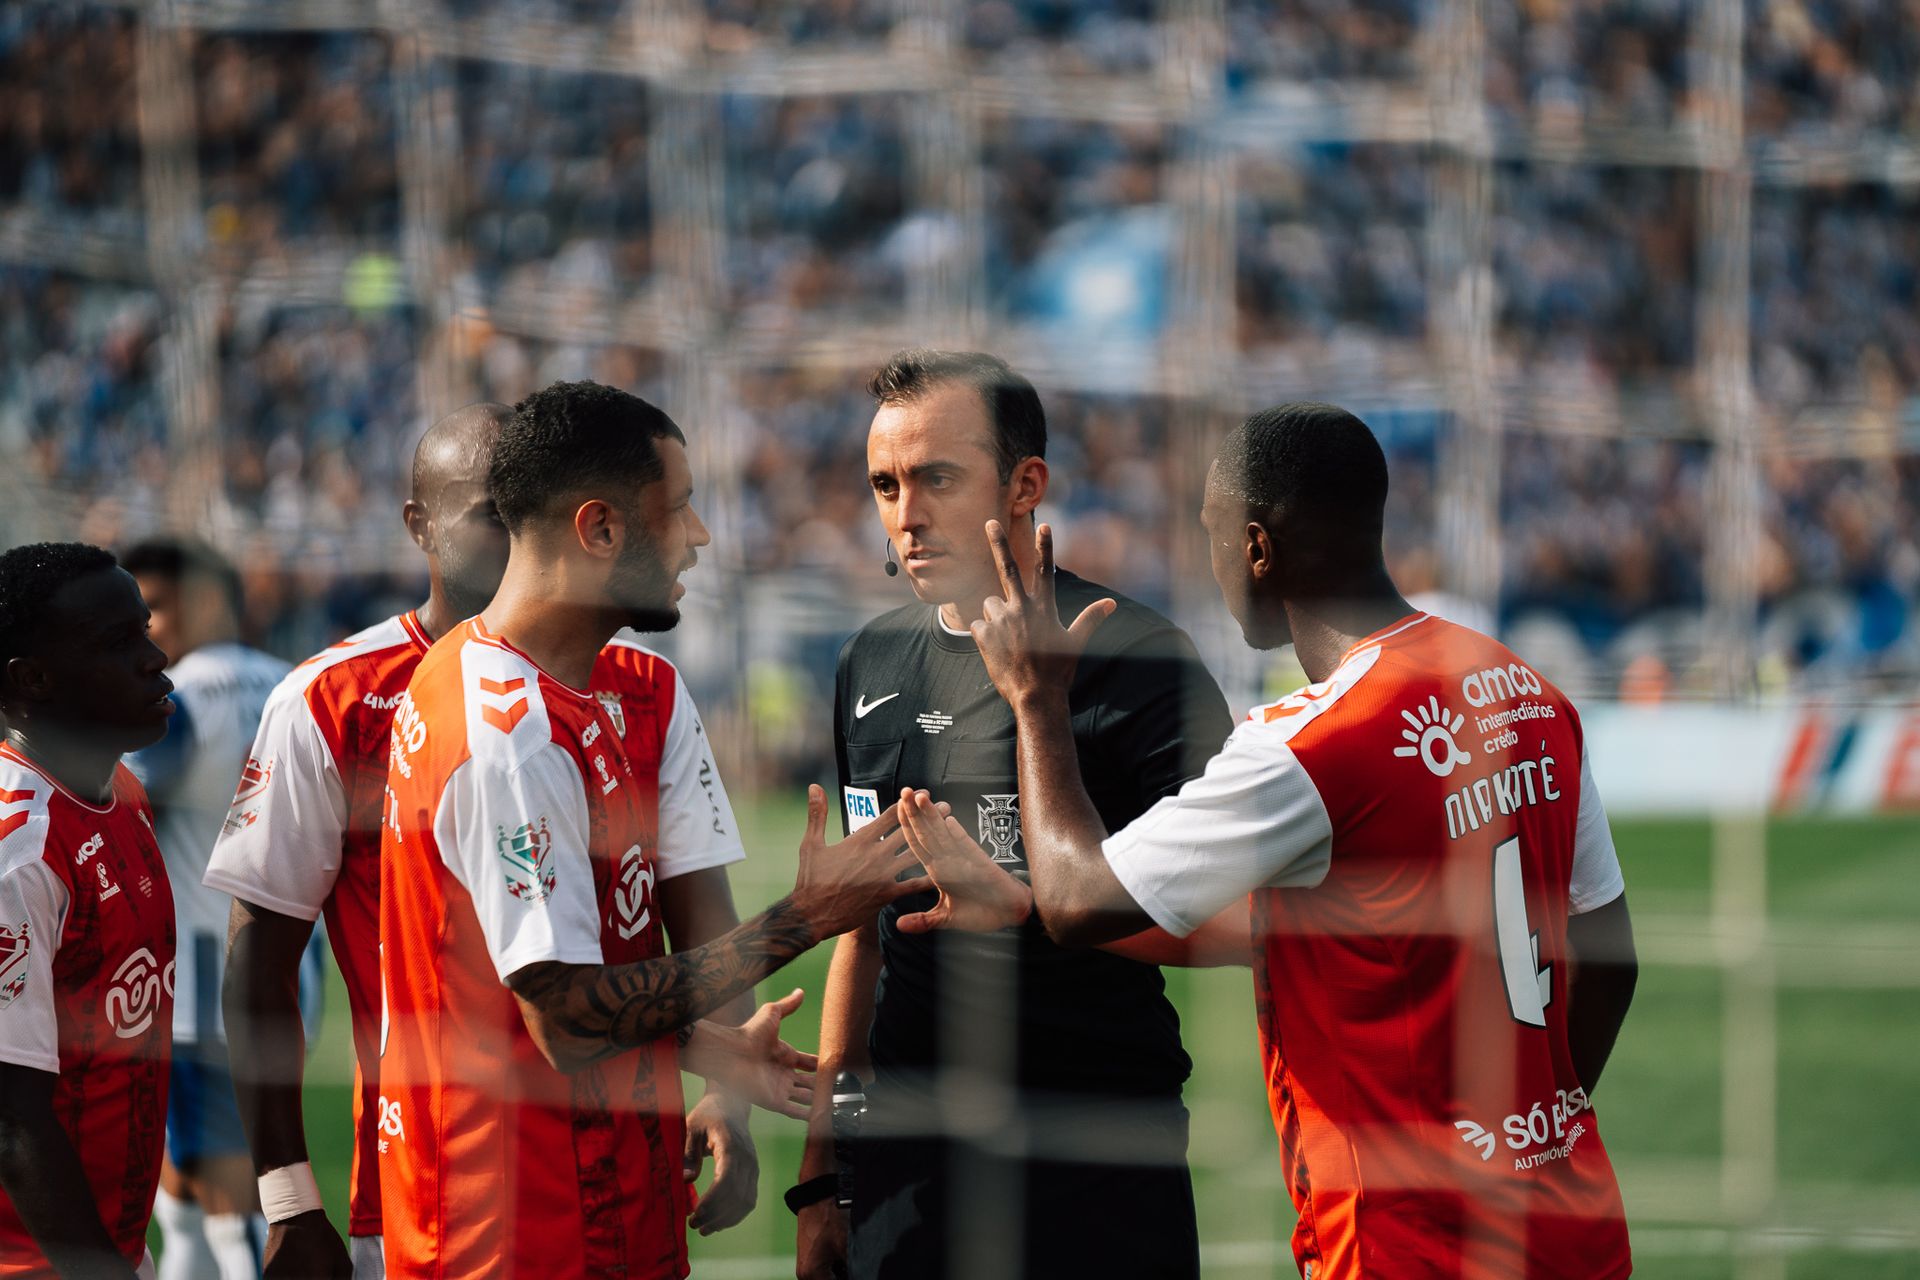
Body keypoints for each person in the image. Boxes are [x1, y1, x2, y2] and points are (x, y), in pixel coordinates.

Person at [897, 403, 1640, 1278]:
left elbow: (1078, 898)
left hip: (1408, 1246)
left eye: (1214, 537)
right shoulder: (1525, 691)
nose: (1213, 566)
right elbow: (1611, 956)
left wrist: (1037, 700)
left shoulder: (1315, 743)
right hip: (1570, 1226)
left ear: (1257, 547)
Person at [377, 380, 927, 1279]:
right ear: (599, 529)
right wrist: (808, 914)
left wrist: (714, 1060)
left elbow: (510, 987)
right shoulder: (507, 735)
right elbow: (563, 1020)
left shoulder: (576, 689)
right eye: (678, 511)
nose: (700, 538)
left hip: (614, 1201)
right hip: (513, 1233)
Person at [203, 404, 765, 1278]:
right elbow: (262, 955)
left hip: (629, 1184)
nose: (516, 535)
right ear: (418, 526)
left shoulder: (648, 688)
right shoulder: (334, 699)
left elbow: (700, 918)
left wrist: (729, 1095)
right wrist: (287, 1197)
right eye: (488, 514)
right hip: (442, 1190)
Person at [794, 350, 1236, 1280]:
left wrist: (1036, 906)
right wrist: (824, 1175)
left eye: (937, 479)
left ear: (1026, 482)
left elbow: (1242, 922)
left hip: (1096, 1160)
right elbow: (863, 936)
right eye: (885, 484)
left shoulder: (1139, 655)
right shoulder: (868, 664)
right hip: (910, 1173)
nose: (905, 516)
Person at [0, 543, 179, 1278]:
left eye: (143, 630)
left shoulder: (122, 791)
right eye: (117, 643)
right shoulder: (18, 853)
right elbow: (10, 1118)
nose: (155, 656)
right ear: (32, 679)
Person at [119, 538, 292, 1280]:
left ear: (208, 601)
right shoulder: (296, 684)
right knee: (184, 1192)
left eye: (153, 607)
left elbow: (114, 801)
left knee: (231, 1204)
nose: (144, 627)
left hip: (194, 987)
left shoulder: (179, 699)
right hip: (287, 978)